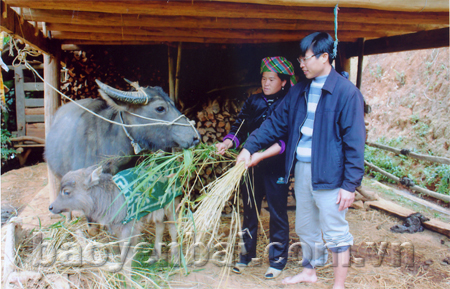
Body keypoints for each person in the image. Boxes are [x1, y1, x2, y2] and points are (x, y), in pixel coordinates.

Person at [236, 32, 366, 288]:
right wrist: (249, 147)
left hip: (331, 172)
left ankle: (338, 285)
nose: (301, 64)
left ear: (325, 57)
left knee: (335, 231)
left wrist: (350, 184)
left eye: (305, 59)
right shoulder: (299, 90)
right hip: (303, 168)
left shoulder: (346, 93)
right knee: (306, 225)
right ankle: (309, 272)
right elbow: (274, 124)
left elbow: (355, 142)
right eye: (301, 58)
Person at [216, 56, 297, 279]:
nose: (266, 83)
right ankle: (246, 255)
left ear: (284, 82)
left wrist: (259, 154)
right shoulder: (253, 101)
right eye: (263, 78)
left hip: (276, 166)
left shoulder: (289, 103)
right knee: (249, 210)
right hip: (251, 166)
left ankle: (278, 261)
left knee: (277, 213)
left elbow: (286, 139)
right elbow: (240, 126)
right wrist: (228, 142)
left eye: (271, 79)